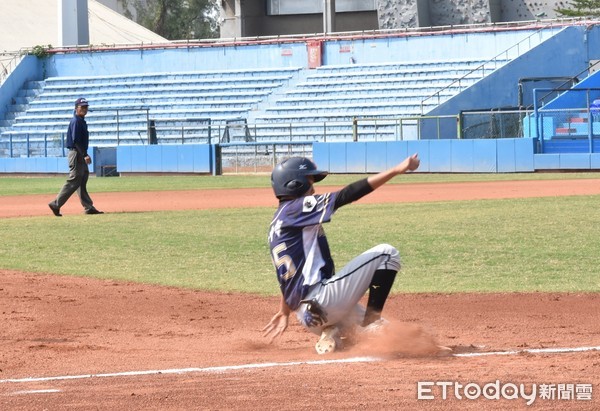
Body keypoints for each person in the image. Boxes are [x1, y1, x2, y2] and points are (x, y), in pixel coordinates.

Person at [263, 154, 420, 354]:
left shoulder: (278, 221)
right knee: (387, 254)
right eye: (309, 182)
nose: (313, 189)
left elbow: (290, 276)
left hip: (310, 317)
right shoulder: (297, 208)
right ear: (295, 184)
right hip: (323, 301)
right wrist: (396, 170)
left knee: (392, 337)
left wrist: (284, 312)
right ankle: (369, 323)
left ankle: (332, 332)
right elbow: (347, 194)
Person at [48, 98, 103, 217]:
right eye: (81, 107)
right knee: (74, 179)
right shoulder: (76, 121)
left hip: (79, 153)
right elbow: (76, 140)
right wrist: (84, 155)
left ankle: (88, 207)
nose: (84, 109)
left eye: (86, 107)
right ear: (76, 108)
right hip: (77, 153)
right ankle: (56, 204)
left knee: (82, 179)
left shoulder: (81, 121)